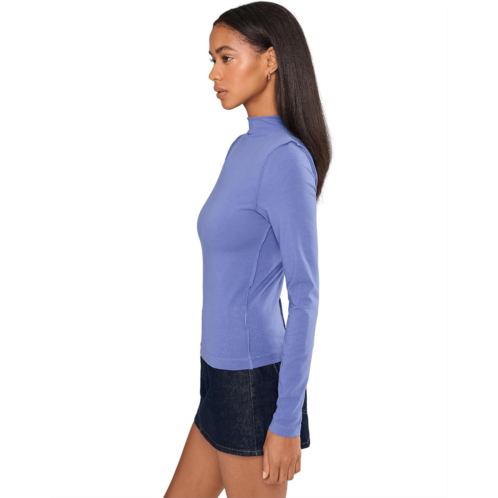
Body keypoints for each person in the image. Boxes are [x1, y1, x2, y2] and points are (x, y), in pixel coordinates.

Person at [164, 2, 331, 497]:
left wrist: (285, 421)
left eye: (226, 57)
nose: (213, 73)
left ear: (270, 60)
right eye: (212, 60)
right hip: (217, 372)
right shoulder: (243, 148)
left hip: (253, 383)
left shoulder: (284, 160)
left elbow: (305, 295)